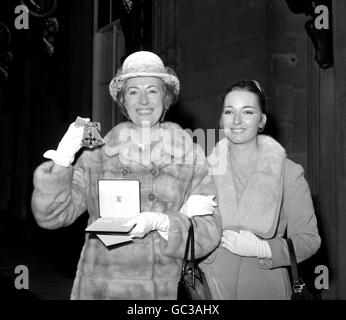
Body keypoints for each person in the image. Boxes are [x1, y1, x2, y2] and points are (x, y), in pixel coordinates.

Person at [31, 51, 221, 300]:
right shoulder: (98, 153)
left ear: (165, 98)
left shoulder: (190, 155)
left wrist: (165, 223)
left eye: (152, 90)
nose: (143, 100)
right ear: (123, 101)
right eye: (133, 92)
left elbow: (209, 230)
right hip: (98, 290)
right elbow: (51, 216)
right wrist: (63, 159)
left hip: (157, 294)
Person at [190, 80, 321, 300]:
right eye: (229, 112)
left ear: (262, 121)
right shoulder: (201, 170)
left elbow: (309, 240)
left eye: (248, 112)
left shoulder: (288, 172)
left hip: (266, 289)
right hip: (210, 288)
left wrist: (263, 249)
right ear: (221, 120)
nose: (237, 120)